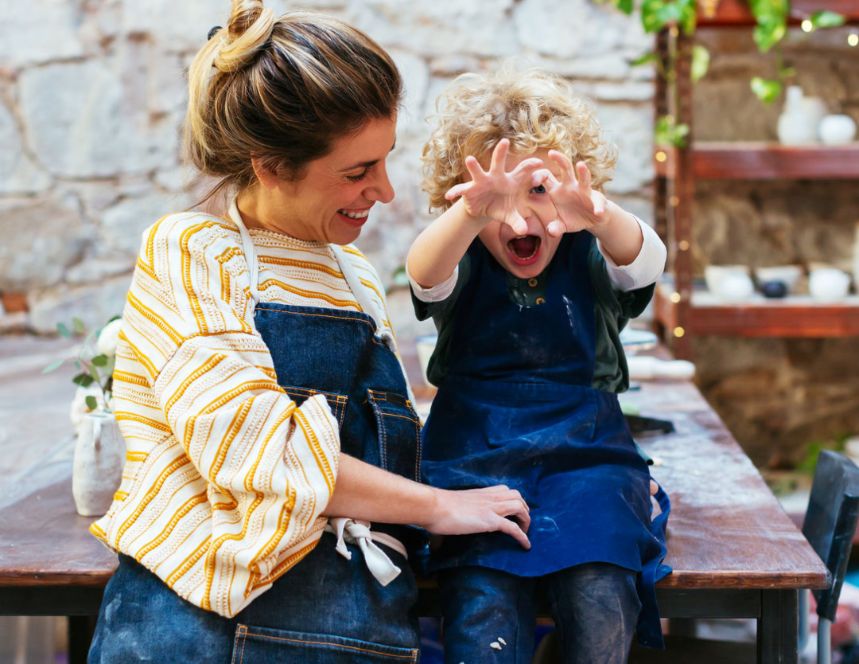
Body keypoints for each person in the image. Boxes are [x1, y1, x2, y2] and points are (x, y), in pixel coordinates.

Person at [86, 4, 531, 662]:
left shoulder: (353, 274)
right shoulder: (195, 250)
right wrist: (436, 506)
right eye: (356, 172)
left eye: (384, 161)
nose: (384, 191)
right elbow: (254, 449)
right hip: (202, 629)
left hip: (357, 627)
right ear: (270, 165)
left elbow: (378, 451)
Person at [406, 67, 672, 663]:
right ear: (460, 197)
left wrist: (600, 216)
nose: (520, 220)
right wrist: (469, 216)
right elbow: (423, 273)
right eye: (496, 200)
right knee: (483, 598)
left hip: (586, 452)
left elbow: (647, 260)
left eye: (539, 191)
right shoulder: (459, 253)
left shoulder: (595, 249)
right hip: (475, 452)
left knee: (601, 585)